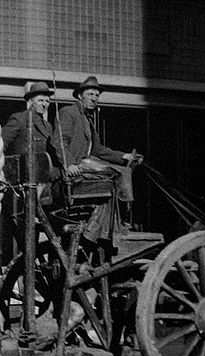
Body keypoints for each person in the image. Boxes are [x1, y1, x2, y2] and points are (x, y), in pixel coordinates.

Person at [52, 76, 143, 241]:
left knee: (124, 170)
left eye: (96, 95)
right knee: (116, 174)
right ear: (80, 96)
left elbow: (98, 150)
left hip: (85, 167)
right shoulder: (69, 113)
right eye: (90, 94)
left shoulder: (88, 120)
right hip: (74, 171)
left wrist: (124, 156)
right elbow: (59, 141)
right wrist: (69, 164)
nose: (94, 98)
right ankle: (110, 225)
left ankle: (116, 223)